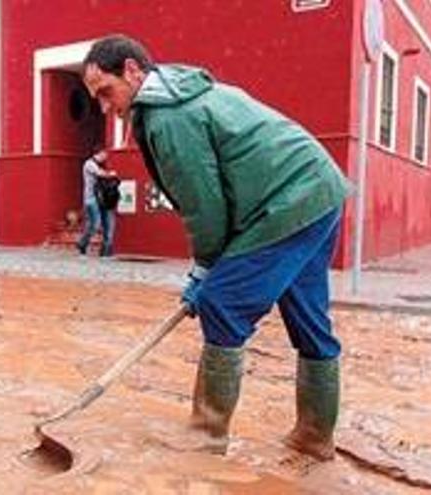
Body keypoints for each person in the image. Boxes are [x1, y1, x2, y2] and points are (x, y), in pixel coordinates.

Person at [82, 35, 351, 460]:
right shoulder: (181, 92)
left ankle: (207, 435)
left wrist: (205, 272)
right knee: (308, 318)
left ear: (133, 71)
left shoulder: (166, 117)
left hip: (285, 200)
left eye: (105, 92)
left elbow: (204, 206)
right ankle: (315, 437)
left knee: (223, 303)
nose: (104, 105)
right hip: (320, 189)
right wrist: (205, 271)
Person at [76, 149, 117, 257]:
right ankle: (82, 243)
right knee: (95, 224)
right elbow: (101, 174)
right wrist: (111, 174)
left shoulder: (100, 164)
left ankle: (105, 249)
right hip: (91, 199)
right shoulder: (89, 164)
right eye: (104, 154)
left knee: (105, 223)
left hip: (101, 199)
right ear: (97, 154)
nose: (105, 157)